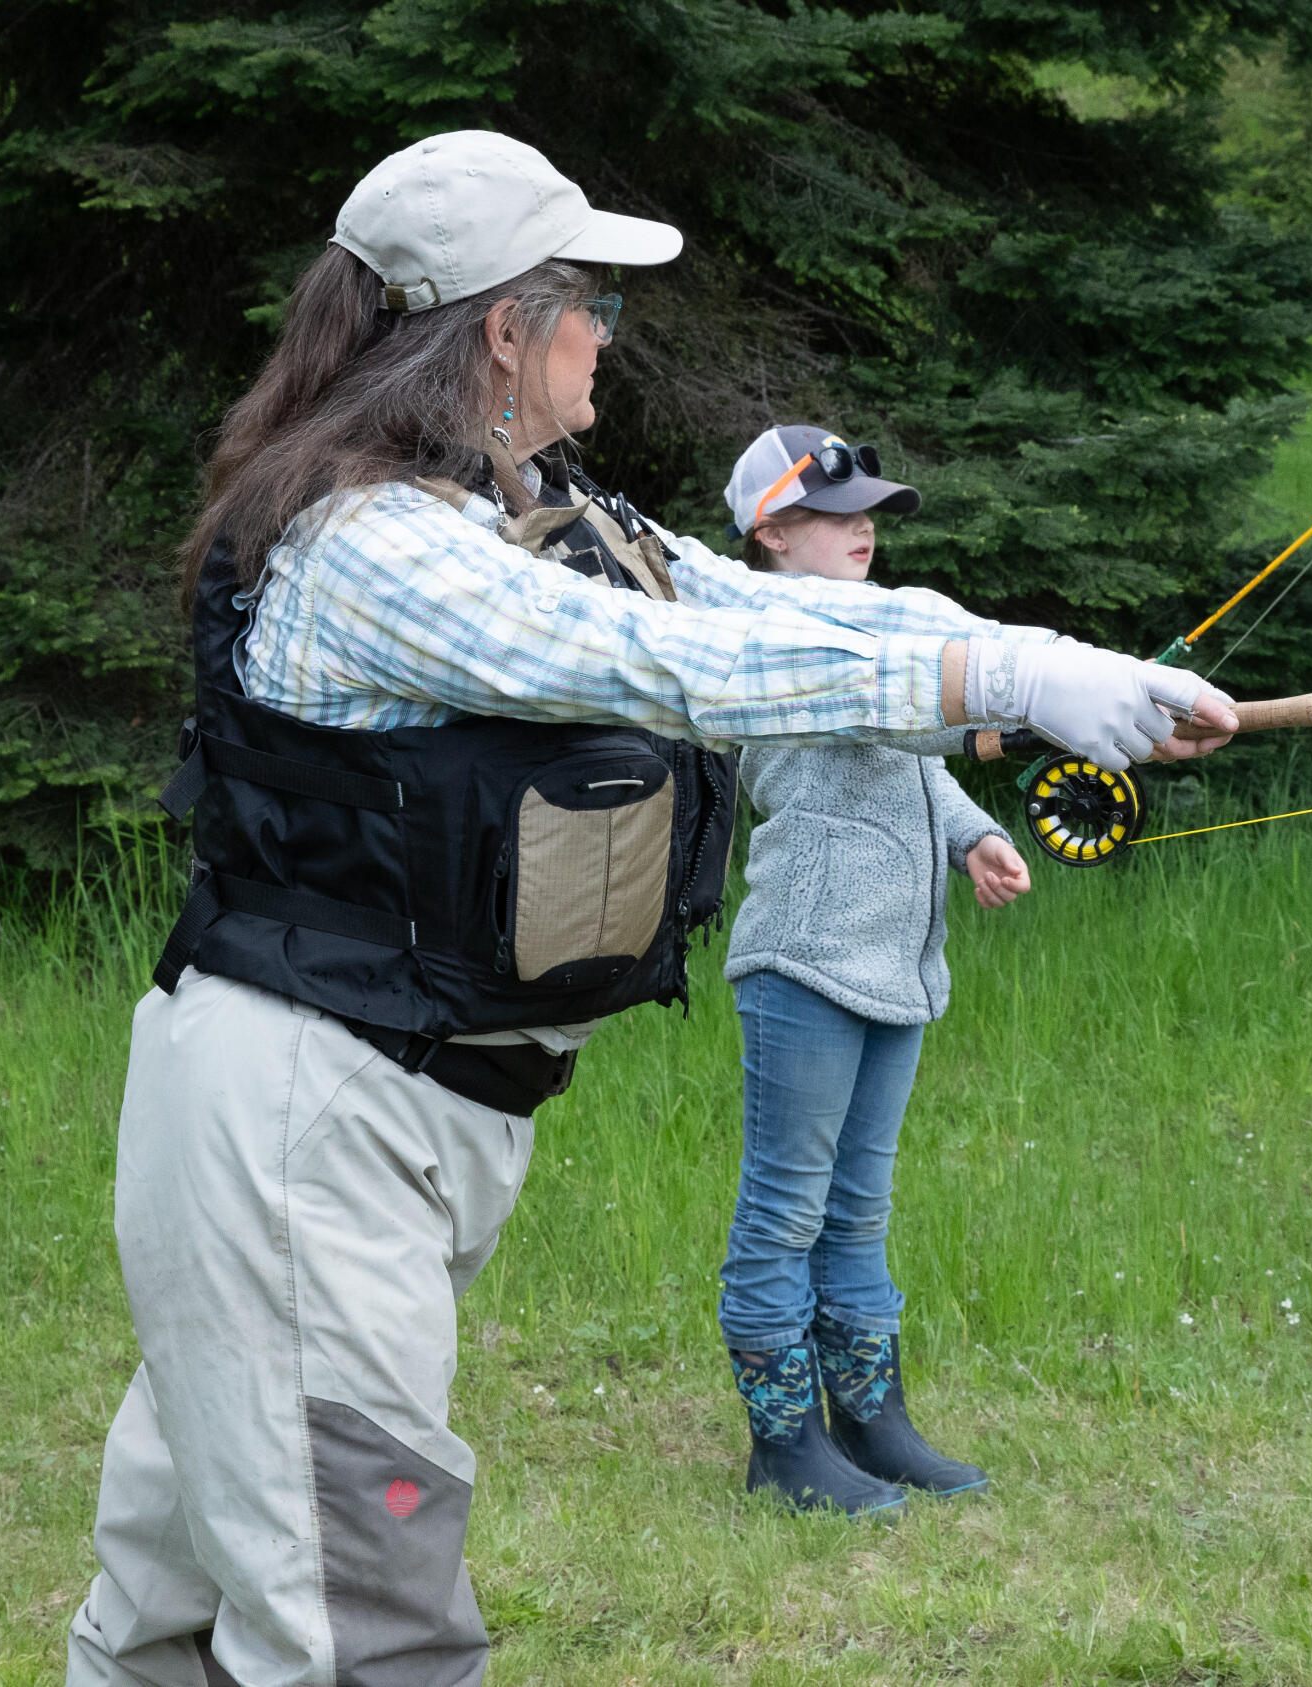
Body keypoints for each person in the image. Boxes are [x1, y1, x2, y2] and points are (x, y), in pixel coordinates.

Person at [67, 131, 1237, 1687]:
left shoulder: (513, 505)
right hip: (306, 1123)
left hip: (392, 1110)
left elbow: (752, 603)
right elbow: (671, 667)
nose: (606, 340)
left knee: (184, 1610)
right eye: (591, 309)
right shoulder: (377, 549)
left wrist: (1040, 655)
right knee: (366, 1624)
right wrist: (1000, 682)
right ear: (502, 325)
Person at [706, 426, 1035, 1518]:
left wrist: (971, 832)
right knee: (786, 1210)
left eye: (867, 513)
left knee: (859, 1208)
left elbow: (898, 753)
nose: (863, 531)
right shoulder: (771, 636)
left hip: (895, 965)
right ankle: (783, 1441)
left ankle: (870, 1421)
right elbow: (896, 713)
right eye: (835, 516)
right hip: (804, 961)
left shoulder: (872, 632)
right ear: (771, 535)